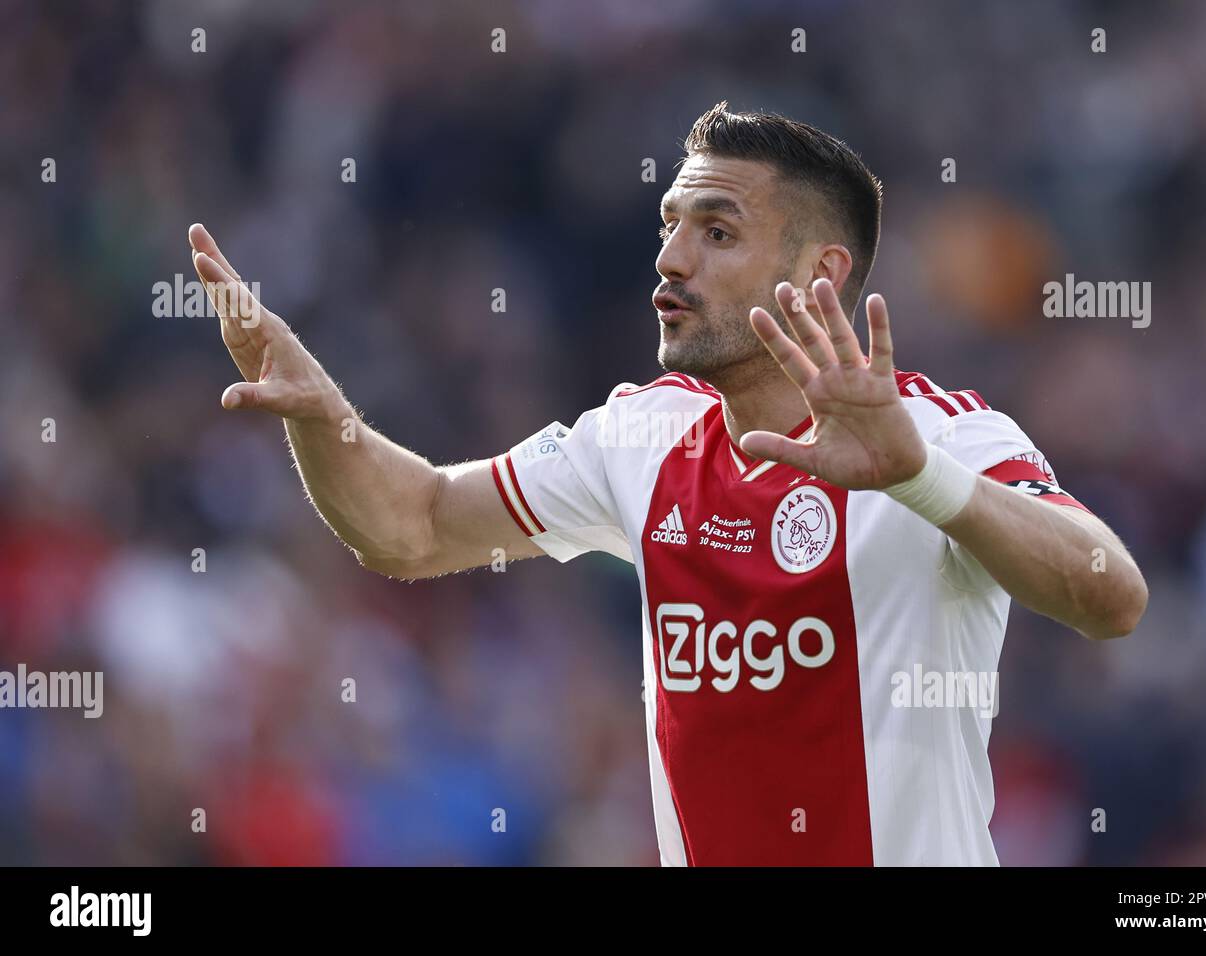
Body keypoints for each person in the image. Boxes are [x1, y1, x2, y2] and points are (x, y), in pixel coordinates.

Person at [187, 101, 1147, 866]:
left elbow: (1113, 596)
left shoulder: (945, 435)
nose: (670, 258)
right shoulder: (641, 436)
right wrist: (324, 420)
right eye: (670, 225)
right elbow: (414, 524)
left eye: (717, 231)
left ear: (820, 271)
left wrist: (924, 482)